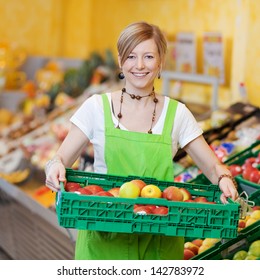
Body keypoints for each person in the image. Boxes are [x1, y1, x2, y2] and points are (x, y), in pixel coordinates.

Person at [45, 21, 238, 260]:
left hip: (158, 244)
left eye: (148, 56)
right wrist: (54, 166)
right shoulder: (96, 107)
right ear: (120, 61)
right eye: (131, 56)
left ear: (160, 61)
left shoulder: (177, 114)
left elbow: (212, 166)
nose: (139, 65)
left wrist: (224, 178)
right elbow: (61, 157)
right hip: (105, 242)